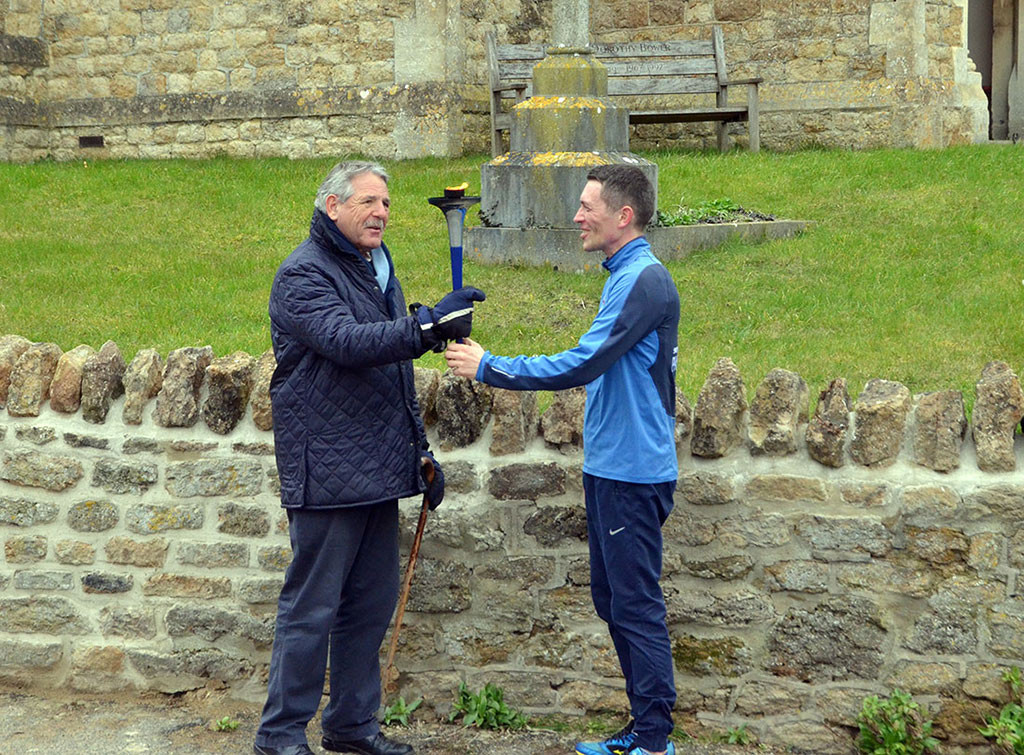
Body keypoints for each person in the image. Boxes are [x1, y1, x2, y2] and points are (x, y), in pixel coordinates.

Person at [445, 164, 679, 755]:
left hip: (634, 471)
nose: (577, 216)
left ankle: (654, 741)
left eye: (587, 206)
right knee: (612, 600)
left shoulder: (644, 281)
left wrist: (492, 367)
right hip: (611, 468)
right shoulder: (623, 275)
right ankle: (642, 730)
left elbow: (584, 362)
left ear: (622, 216)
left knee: (635, 604)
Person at [255, 160, 485, 755]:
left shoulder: (379, 269)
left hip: (380, 468)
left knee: (369, 607)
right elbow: (346, 343)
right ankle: (279, 735)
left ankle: (352, 728)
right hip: (326, 470)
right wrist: (427, 326)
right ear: (333, 206)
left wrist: (421, 454)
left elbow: (395, 376)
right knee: (311, 610)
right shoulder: (301, 275)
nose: (382, 212)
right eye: (369, 202)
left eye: (386, 203)